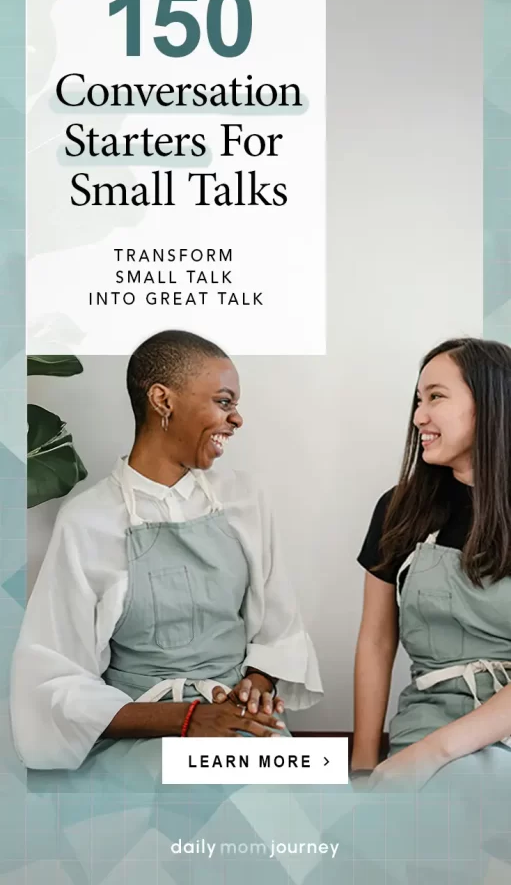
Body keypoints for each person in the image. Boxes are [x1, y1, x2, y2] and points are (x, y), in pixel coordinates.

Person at [12, 330, 322, 779]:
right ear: (163, 400)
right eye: (224, 401)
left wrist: (256, 685)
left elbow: (280, 630)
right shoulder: (88, 520)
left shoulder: (245, 499)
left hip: (240, 729)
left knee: (307, 819)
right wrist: (187, 719)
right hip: (139, 743)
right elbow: (54, 680)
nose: (237, 420)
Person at [352, 337, 511, 793]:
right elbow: (377, 641)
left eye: (436, 397)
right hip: (426, 717)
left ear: (491, 404)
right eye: (418, 400)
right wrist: (364, 767)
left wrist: (431, 755)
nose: (419, 415)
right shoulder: (399, 509)